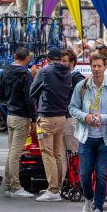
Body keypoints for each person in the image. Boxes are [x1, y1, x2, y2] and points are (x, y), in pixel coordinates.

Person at [69, 53, 107, 212]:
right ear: (90, 67)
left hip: (105, 138)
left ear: (105, 67)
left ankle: (98, 209)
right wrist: (85, 117)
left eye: (99, 66)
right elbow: (72, 108)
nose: (96, 69)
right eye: (94, 66)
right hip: (86, 137)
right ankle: (88, 199)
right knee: (84, 175)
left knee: (101, 174)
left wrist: (103, 118)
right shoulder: (82, 86)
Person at [29, 48, 74, 202]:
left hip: (46, 116)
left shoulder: (44, 72)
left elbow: (32, 91)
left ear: (48, 59)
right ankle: (58, 187)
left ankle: (53, 189)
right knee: (58, 154)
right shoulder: (67, 72)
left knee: (47, 153)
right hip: (61, 116)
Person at [0, 47, 36, 198]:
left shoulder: (5, 71)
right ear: (26, 58)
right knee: (16, 153)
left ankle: (9, 185)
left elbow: (0, 94)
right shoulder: (25, 74)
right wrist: (33, 117)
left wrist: (6, 105)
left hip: (10, 114)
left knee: (11, 152)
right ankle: (15, 186)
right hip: (21, 116)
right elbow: (29, 97)